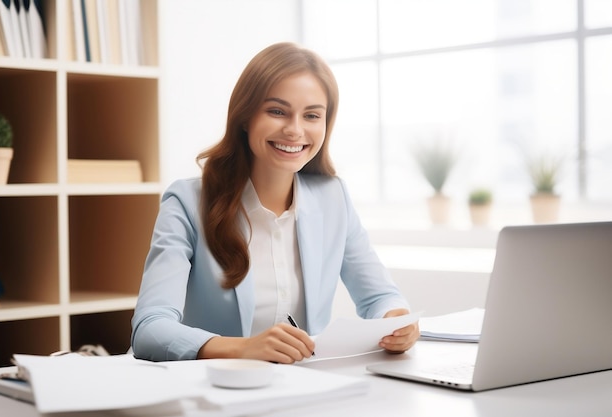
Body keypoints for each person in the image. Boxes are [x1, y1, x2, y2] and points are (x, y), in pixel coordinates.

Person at [131, 42, 419, 363]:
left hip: (296, 388)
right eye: (277, 111)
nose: (295, 130)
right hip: (210, 391)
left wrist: (396, 320)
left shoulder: (333, 197)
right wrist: (243, 348)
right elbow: (150, 329)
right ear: (245, 116)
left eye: (311, 115)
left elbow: (379, 296)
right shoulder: (186, 202)